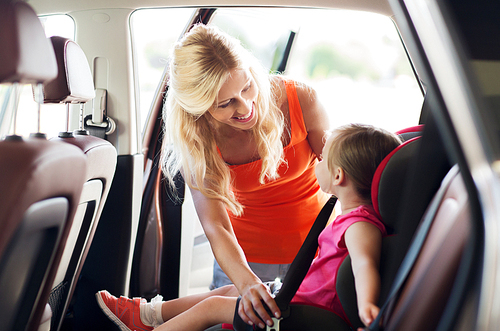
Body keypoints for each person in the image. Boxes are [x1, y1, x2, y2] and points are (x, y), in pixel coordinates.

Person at [96, 123, 402, 331]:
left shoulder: (359, 223)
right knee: (231, 289)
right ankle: (146, 315)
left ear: (338, 177)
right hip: (296, 297)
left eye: (323, 158)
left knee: (214, 305)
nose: (316, 161)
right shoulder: (346, 214)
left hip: (302, 313)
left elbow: (363, 264)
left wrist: (369, 309)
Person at [157, 23, 330, 327]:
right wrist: (247, 282)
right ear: (198, 108)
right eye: (226, 103)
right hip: (240, 264)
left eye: (247, 86)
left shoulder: (301, 100)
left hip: (315, 254)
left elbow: (338, 172)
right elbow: (216, 226)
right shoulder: (196, 139)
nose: (246, 106)